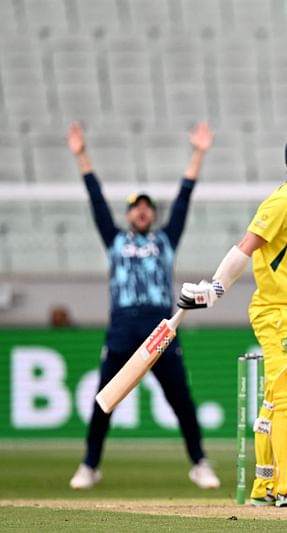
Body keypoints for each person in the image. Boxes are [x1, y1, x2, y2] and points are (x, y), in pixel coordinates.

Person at [177, 128, 287, 508]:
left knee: (274, 401)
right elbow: (246, 247)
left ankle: (265, 485)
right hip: (280, 314)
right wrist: (216, 288)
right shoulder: (283, 201)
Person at [67, 122, 220, 490]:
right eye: (136, 208)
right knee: (105, 398)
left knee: (181, 400)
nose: (142, 212)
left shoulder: (165, 240)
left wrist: (198, 153)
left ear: (152, 215)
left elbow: (183, 198)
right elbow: (96, 200)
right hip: (121, 328)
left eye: (147, 208)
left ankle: (199, 462)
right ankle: (89, 465)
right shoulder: (115, 240)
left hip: (160, 328)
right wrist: (81, 155)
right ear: (128, 214)